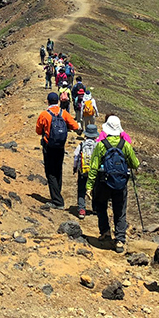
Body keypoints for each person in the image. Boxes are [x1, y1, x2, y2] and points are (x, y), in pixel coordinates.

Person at [86, 115, 139, 254]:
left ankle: (105, 232)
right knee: (120, 210)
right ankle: (120, 240)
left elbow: (93, 166)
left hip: (103, 182)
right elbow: (135, 163)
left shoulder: (101, 145)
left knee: (100, 205)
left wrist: (89, 186)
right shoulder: (125, 145)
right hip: (120, 183)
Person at [35, 92, 79, 209]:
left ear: (48, 101)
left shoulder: (44, 114)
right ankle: (57, 194)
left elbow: (38, 131)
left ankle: (57, 201)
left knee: (50, 173)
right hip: (60, 146)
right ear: (58, 101)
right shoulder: (63, 113)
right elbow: (75, 126)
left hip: (49, 147)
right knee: (58, 170)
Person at [72, 124, 99, 219]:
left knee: (81, 189)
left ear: (86, 134)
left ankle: (82, 209)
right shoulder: (97, 145)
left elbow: (76, 157)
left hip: (82, 171)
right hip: (94, 172)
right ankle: (95, 208)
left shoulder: (81, 145)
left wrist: (75, 168)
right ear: (95, 136)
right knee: (95, 189)